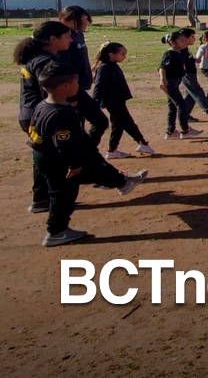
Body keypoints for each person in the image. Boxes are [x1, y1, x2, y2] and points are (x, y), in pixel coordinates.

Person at [29, 61, 147, 247]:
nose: (80, 86)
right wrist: (74, 165)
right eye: (77, 82)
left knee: (62, 191)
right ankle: (56, 232)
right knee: (64, 196)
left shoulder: (42, 106)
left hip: (42, 156)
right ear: (66, 86)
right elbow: (64, 145)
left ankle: (121, 182)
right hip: (61, 161)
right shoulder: (63, 114)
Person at [15, 20, 75, 213]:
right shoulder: (44, 61)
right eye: (67, 36)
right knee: (53, 159)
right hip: (41, 116)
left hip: (32, 115)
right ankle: (53, 202)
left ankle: (41, 198)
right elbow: (49, 89)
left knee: (44, 154)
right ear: (52, 39)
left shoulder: (38, 57)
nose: (71, 40)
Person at [91, 42, 155, 159]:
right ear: (111, 54)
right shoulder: (104, 67)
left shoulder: (112, 65)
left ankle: (112, 150)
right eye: (122, 54)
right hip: (113, 102)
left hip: (118, 100)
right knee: (128, 123)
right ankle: (142, 142)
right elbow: (99, 87)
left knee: (118, 125)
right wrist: (95, 104)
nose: (124, 56)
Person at [57, 6, 108, 147]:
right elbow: (62, 66)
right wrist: (69, 95)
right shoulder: (62, 37)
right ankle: (85, 156)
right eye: (84, 21)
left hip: (80, 87)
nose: (86, 24)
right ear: (70, 20)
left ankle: (85, 155)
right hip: (70, 91)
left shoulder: (78, 34)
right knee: (95, 122)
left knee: (88, 124)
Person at [159, 31, 201, 140]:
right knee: (181, 104)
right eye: (181, 41)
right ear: (173, 43)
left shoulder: (178, 53)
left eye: (184, 40)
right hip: (170, 83)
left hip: (174, 83)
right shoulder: (169, 53)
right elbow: (162, 67)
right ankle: (185, 130)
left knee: (172, 106)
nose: (184, 42)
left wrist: (183, 72)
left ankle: (170, 132)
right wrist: (162, 80)